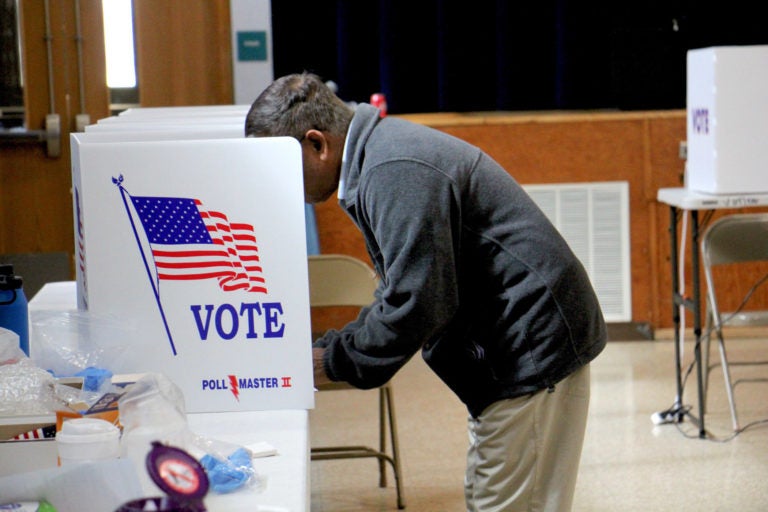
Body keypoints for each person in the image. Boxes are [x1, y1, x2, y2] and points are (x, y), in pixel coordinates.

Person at [245, 72, 607, 512]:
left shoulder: (393, 171)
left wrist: (329, 362)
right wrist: (329, 353)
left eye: (282, 166)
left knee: (507, 503)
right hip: (511, 347)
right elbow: (407, 291)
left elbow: (416, 304)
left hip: (530, 346)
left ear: (317, 144)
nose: (283, 186)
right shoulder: (380, 156)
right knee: (489, 496)